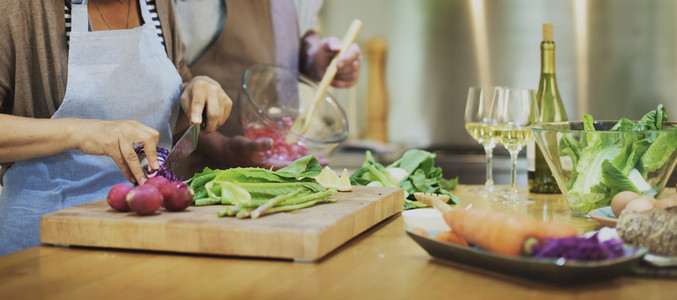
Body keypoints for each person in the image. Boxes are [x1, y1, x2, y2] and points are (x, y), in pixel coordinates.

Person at [0, 0, 232, 255]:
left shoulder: (159, 5)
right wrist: (81, 132)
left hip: (150, 230)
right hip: (50, 240)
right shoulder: (17, 9)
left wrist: (196, 91)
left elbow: (169, 99)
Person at [174, 0, 362, 173]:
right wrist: (223, 147)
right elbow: (167, 81)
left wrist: (316, 57)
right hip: (199, 174)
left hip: (280, 168)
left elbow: (304, 30)